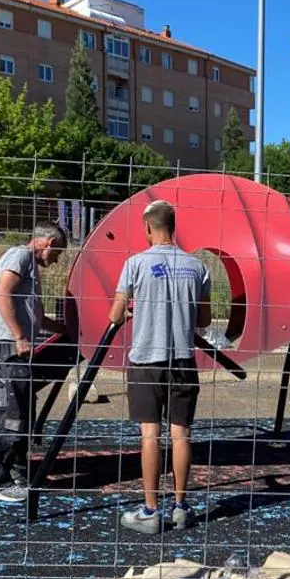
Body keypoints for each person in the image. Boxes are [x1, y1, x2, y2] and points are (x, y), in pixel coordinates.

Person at [109, 200, 211, 534]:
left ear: (147, 228)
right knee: (181, 434)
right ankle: (181, 506)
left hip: (145, 361)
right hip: (182, 359)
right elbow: (205, 320)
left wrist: (131, 312)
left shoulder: (135, 263)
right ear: (174, 225)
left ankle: (151, 511)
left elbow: (115, 314)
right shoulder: (197, 267)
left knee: (149, 435)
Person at [0, 223, 78, 503]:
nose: (56, 260)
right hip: (9, 350)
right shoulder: (20, 256)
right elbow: (3, 294)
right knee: (11, 417)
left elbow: (38, 319)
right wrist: (19, 335)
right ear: (47, 242)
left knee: (22, 414)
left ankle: (18, 475)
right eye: (57, 252)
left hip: (18, 351)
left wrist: (66, 330)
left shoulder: (31, 271)